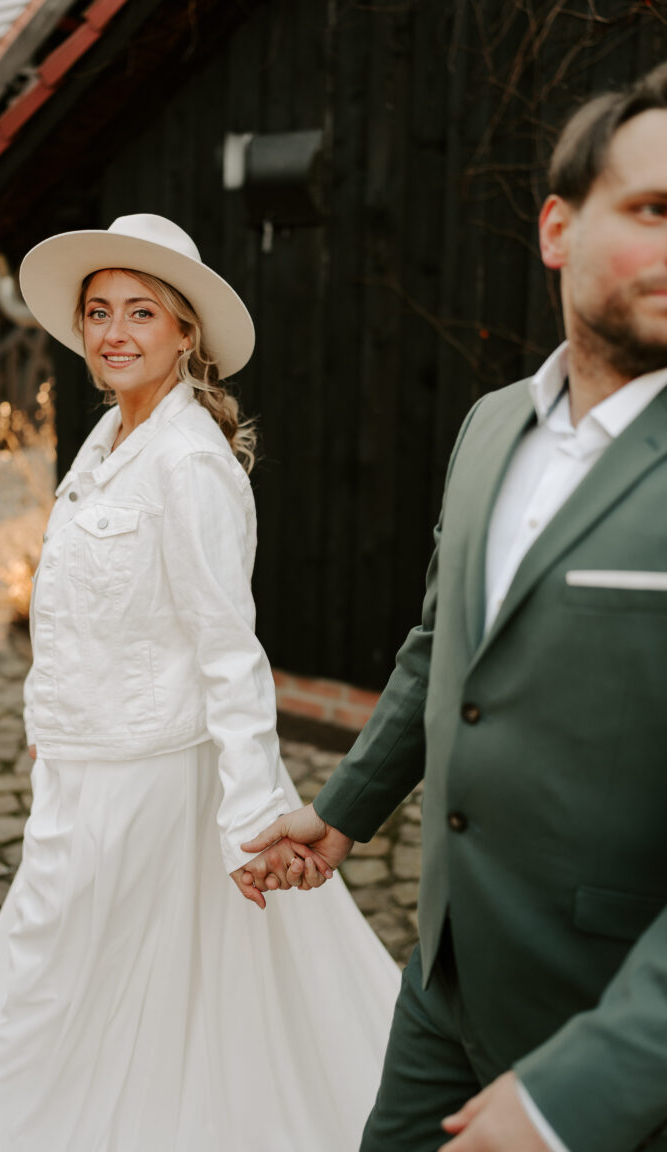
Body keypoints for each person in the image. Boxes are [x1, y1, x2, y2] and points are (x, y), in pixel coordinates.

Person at [241, 63, 667, 1152]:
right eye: (654, 210)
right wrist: (343, 809)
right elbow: (445, 650)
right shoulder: (489, 428)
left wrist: (580, 1095)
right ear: (557, 229)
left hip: (609, 1030)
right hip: (445, 976)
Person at [0, 214, 400, 1152]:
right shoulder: (104, 442)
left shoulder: (190, 463)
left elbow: (228, 649)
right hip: (82, 770)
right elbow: (79, 614)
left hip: (149, 782)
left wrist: (251, 813)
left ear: (186, 332)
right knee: (96, 978)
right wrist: (51, 724)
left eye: (141, 311)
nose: (114, 332)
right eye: (99, 311)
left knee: (62, 980)